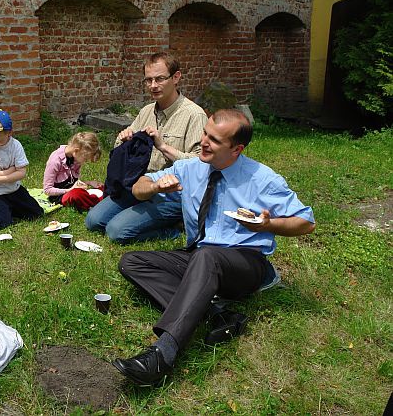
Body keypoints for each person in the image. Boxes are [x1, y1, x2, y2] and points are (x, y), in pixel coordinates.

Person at [112, 109, 315, 386]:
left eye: (215, 140)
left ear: (236, 149)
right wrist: (156, 186)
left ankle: (163, 354)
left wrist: (268, 226)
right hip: (200, 258)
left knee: (208, 256)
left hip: (245, 264)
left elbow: (306, 222)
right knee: (132, 262)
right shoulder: (191, 168)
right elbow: (138, 187)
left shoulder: (262, 179)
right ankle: (218, 313)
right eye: (205, 133)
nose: (204, 142)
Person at [85, 51, 207, 243]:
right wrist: (124, 140)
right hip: (139, 185)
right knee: (94, 221)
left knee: (116, 232)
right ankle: (144, 217)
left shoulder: (194, 115)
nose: (153, 86)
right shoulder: (147, 111)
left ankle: (173, 228)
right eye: (148, 80)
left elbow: (201, 163)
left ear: (176, 77)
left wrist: (163, 146)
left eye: (159, 79)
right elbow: (122, 148)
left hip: (172, 193)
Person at [43, 131, 102, 210]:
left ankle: (100, 199)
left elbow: (73, 182)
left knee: (102, 187)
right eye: (85, 158)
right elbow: (47, 190)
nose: (84, 161)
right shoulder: (55, 161)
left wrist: (89, 183)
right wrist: (69, 190)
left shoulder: (75, 158)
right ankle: (100, 202)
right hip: (60, 195)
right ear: (76, 151)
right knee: (76, 195)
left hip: (73, 189)